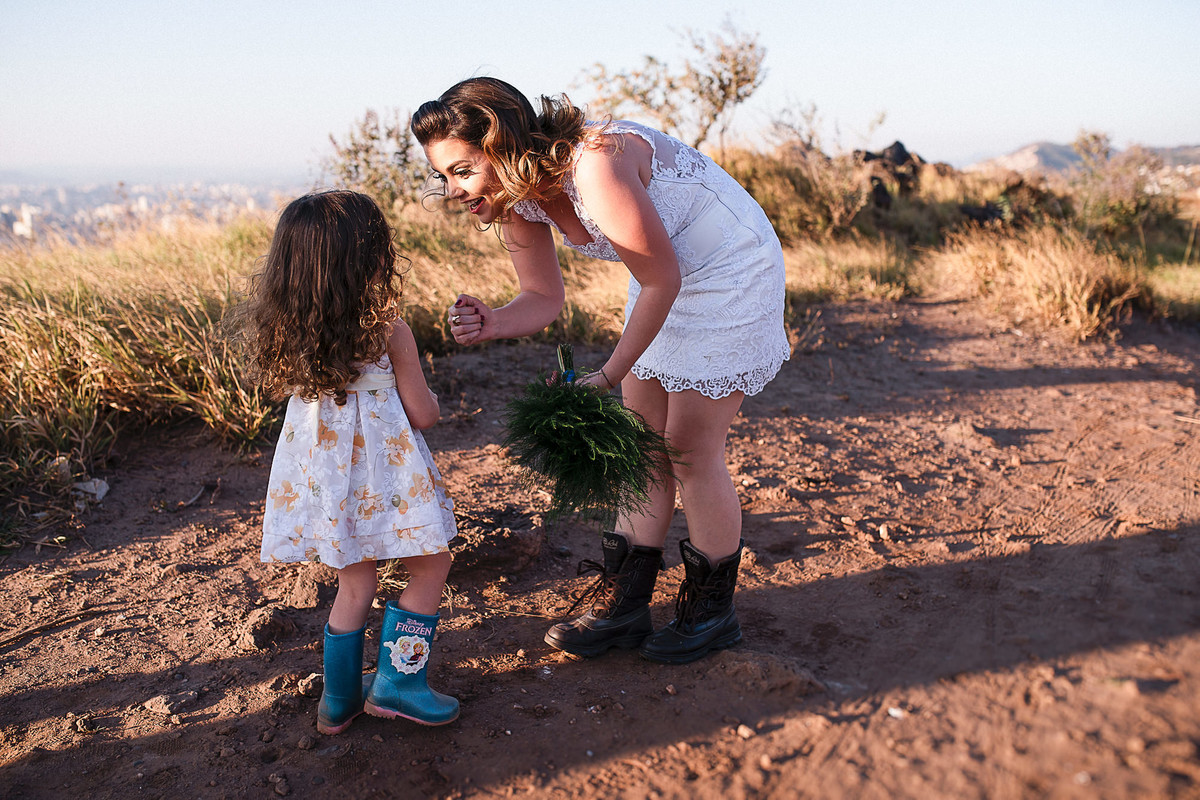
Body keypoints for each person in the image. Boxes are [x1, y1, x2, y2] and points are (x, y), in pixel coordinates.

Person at [411, 77, 790, 664]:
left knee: (690, 448)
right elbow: (543, 297)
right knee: (642, 447)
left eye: (462, 170)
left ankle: (711, 613)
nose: (453, 190)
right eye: (443, 176)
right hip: (664, 276)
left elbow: (662, 278)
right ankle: (625, 607)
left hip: (731, 270)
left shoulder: (596, 163)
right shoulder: (514, 198)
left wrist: (608, 375)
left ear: (503, 145)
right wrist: (494, 320)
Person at [231, 190, 459, 734]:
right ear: (370, 260)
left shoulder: (292, 337)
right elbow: (423, 414)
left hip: (332, 490)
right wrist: (432, 400)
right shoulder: (389, 332)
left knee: (355, 585)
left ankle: (338, 701)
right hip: (389, 482)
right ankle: (399, 685)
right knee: (431, 565)